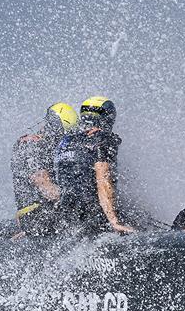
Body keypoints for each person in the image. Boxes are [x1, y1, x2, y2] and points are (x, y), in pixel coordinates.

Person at [54, 96, 135, 234]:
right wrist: (114, 222)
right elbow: (103, 180)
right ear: (108, 118)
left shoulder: (65, 142)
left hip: (66, 215)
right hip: (93, 215)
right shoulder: (103, 138)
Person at [11, 102, 78, 237]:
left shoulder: (46, 146)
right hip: (36, 216)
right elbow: (45, 187)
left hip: (48, 212)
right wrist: (78, 196)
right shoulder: (31, 146)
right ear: (54, 128)